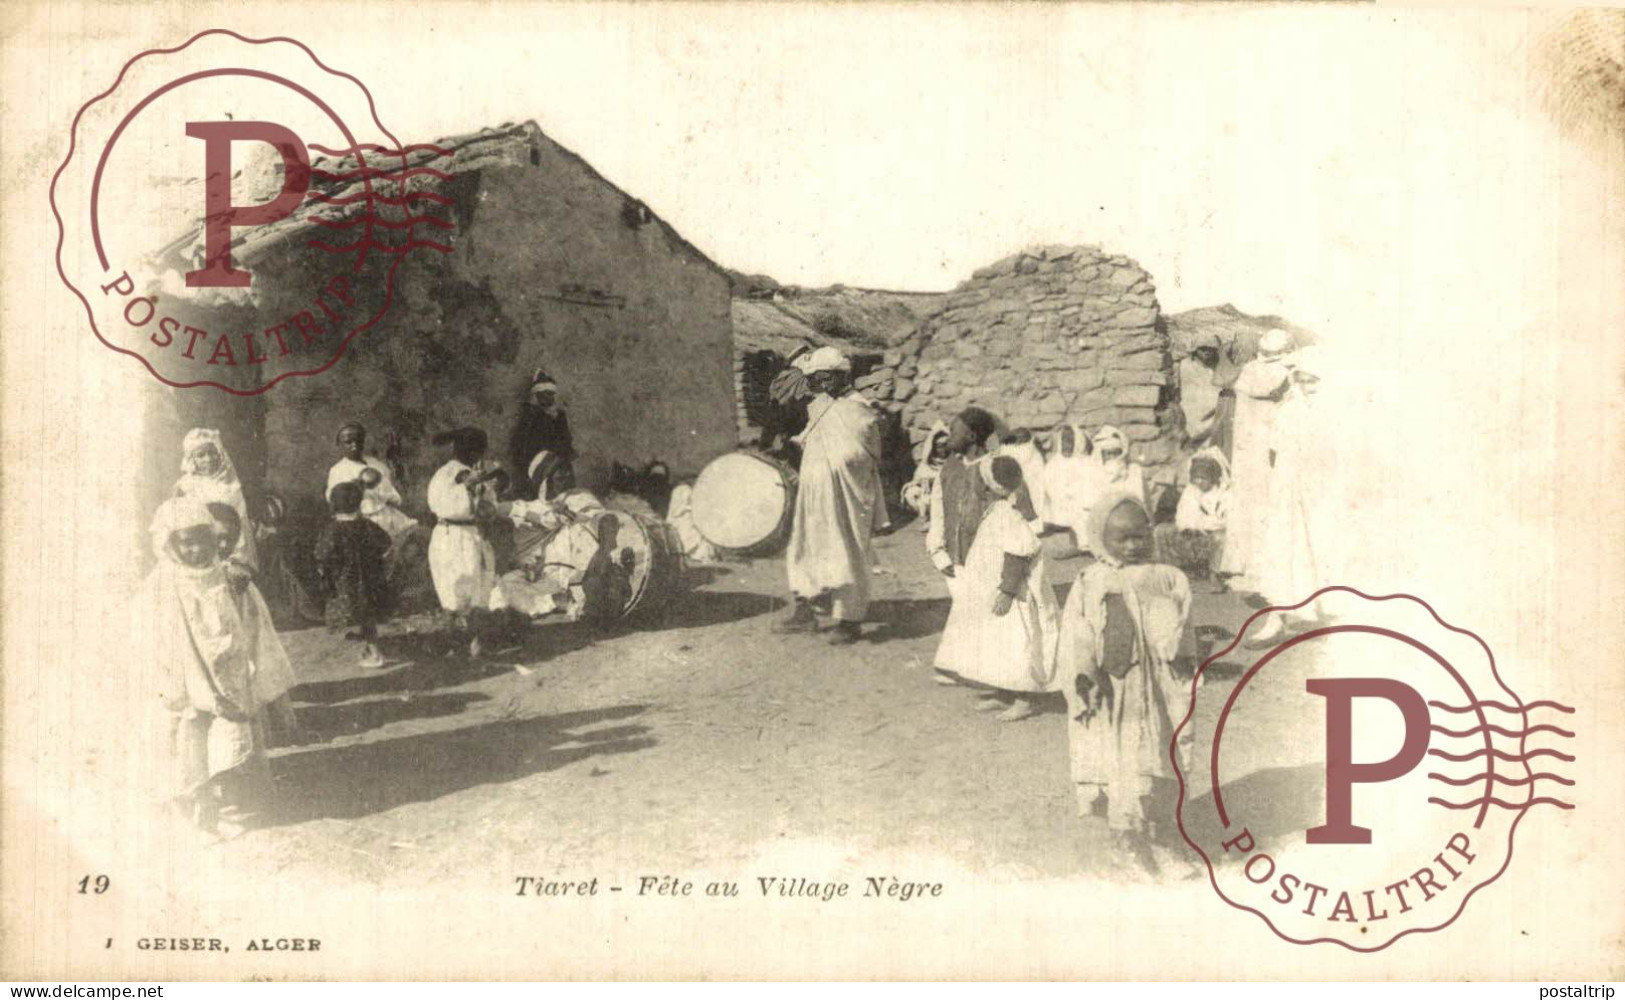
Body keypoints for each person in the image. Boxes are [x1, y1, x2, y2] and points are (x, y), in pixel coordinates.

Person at [131, 497, 298, 840]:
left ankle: (229, 805)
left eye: (202, 539)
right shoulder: (163, 586)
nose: (196, 550)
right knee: (189, 750)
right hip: (186, 687)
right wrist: (184, 688)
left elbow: (255, 627)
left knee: (227, 745)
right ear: (170, 543)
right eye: (186, 542)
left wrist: (258, 677)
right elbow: (155, 642)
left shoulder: (227, 578)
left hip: (229, 680)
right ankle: (197, 813)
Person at [1058, 492, 1194, 858]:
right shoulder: (1090, 581)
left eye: (1140, 536)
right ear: (1102, 538)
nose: (1133, 546)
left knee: (1160, 759)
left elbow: (1184, 627)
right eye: (1122, 538)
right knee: (1119, 761)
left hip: (1158, 690)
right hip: (1112, 691)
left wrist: (1183, 665)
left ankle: (1161, 834)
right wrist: (1084, 679)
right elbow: (1078, 635)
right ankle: (1127, 840)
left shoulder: (1167, 578)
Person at [932, 456, 1062, 722]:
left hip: (1013, 596)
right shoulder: (997, 511)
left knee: (1018, 642)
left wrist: (1007, 591)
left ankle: (1026, 697)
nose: (977, 486)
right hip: (995, 589)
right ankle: (1005, 691)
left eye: (981, 481)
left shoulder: (1007, 516)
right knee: (999, 642)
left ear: (991, 487)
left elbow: (1017, 553)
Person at [774, 346, 886, 645]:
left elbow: (864, 453)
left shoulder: (858, 408)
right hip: (815, 493)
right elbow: (812, 435)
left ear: (839, 376)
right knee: (805, 544)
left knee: (846, 549)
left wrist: (834, 463)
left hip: (845, 494)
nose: (816, 384)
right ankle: (805, 610)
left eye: (822, 378)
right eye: (813, 378)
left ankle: (849, 621)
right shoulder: (821, 405)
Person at [1248, 346, 1328, 644]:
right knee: (1284, 549)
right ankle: (1277, 617)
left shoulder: (1333, 412)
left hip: (1322, 491)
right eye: (1303, 380)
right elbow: (1274, 450)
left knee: (1320, 551)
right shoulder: (1289, 409)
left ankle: (1319, 613)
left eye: (1314, 381)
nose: (1308, 387)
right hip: (1291, 488)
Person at [924, 407, 1000, 685]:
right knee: (966, 607)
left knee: (980, 610)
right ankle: (962, 666)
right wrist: (937, 551)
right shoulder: (949, 469)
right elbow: (937, 511)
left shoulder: (992, 468)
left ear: (971, 435)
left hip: (986, 555)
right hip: (955, 555)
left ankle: (973, 669)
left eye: (954, 431)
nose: (948, 437)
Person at [1218, 328, 1295, 589]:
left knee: (1247, 503)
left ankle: (1241, 562)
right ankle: (1261, 564)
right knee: (1266, 502)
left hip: (1247, 448)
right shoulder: (1284, 372)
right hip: (1266, 449)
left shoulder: (1249, 369)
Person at [426, 428, 502, 656]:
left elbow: (489, 507)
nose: (474, 453)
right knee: (454, 588)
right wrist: (467, 487)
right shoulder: (445, 475)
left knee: (479, 587)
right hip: (450, 535)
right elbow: (442, 506)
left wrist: (485, 499)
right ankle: (455, 643)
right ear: (457, 448)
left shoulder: (476, 473)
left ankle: (475, 643)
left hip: (473, 535)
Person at [315, 481, 393, 669]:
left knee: (356, 611)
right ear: (358, 504)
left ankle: (374, 653)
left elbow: (321, 554)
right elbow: (386, 543)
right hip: (369, 579)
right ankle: (368, 643)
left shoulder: (333, 529)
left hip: (345, 581)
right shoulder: (367, 525)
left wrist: (324, 571)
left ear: (333, 505)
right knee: (367, 613)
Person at [174, 427, 257, 570]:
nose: (208, 459)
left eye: (212, 453)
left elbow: (241, 527)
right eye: (201, 455)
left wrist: (235, 560)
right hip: (196, 551)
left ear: (220, 454)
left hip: (227, 552)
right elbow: (178, 525)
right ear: (192, 459)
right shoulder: (184, 487)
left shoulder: (230, 486)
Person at [326, 423, 418, 542]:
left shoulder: (376, 464)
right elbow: (336, 503)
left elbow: (394, 497)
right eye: (348, 442)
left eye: (358, 440)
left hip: (387, 516)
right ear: (340, 445)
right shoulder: (337, 470)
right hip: (360, 523)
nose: (354, 445)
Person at [1153, 449, 1231, 587]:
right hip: (1192, 534)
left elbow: (1223, 521)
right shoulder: (1191, 491)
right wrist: (1190, 526)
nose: (1199, 482)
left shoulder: (1224, 493)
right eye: (1196, 478)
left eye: (1204, 478)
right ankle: (1171, 572)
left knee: (1221, 538)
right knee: (1161, 530)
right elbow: (1183, 515)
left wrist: (1202, 525)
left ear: (1213, 477)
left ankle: (1215, 575)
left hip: (1210, 535)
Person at [509, 370, 575, 500]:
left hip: (556, 457)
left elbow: (565, 436)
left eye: (552, 394)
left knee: (561, 485)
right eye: (546, 394)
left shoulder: (559, 415)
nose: (550, 398)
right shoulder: (530, 415)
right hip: (534, 459)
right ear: (538, 395)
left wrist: (562, 451)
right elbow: (522, 440)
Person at [1041, 422, 1098, 542]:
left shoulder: (1086, 461)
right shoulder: (1055, 461)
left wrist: (1074, 491)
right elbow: (1046, 482)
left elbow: (1090, 485)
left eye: (1070, 440)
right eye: (1064, 440)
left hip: (1078, 501)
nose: (1067, 444)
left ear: (1078, 441)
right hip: (1059, 502)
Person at [901, 420, 951, 527]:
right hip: (929, 496)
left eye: (945, 445)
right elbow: (917, 479)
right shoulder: (928, 463)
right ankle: (925, 517)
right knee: (912, 492)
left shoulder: (954, 461)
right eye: (939, 445)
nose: (942, 448)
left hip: (948, 497)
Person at [1091, 426, 1147, 508]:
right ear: (1101, 455)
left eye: (1116, 453)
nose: (1112, 457)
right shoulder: (1092, 472)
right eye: (1108, 453)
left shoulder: (1134, 471)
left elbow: (1139, 501)